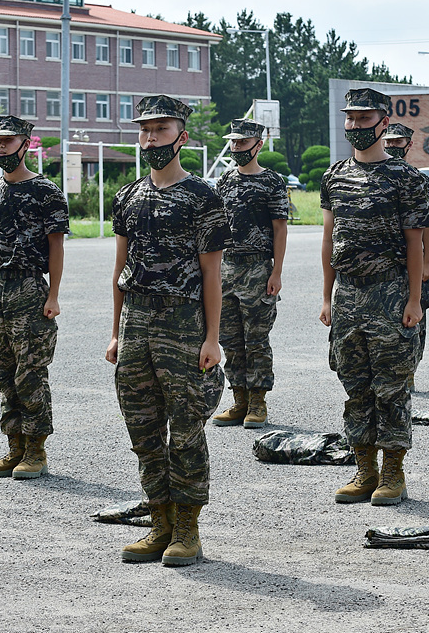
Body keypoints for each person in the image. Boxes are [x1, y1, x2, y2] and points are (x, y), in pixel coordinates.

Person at [106, 94, 231, 566]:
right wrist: (116, 332)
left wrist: (213, 338)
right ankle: (158, 522)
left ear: (182, 136)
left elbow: (212, 275)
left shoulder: (203, 198)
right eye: (144, 130)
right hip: (136, 320)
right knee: (142, 426)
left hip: (184, 323)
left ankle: (187, 528)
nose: (150, 138)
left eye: (160, 130)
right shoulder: (128, 196)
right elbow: (119, 268)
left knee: (186, 429)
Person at [319, 88, 429, 507]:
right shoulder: (334, 176)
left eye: (365, 119)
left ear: (384, 123)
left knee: (392, 386)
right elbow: (330, 240)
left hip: (390, 291)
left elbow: (415, 245)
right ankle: (364, 469)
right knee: (355, 385)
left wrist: (415, 300)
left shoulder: (407, 179)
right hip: (347, 294)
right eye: (350, 119)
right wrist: (327, 297)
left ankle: (393, 473)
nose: (355, 126)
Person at [0, 115, 68, 480]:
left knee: (30, 372)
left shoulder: (46, 191)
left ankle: (36, 450)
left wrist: (55, 295)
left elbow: (56, 246)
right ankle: (14, 446)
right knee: (1, 369)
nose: (0, 147)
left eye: (8, 140)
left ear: (26, 144)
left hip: (31, 287)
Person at [211, 119, 289, 429]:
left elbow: (280, 228)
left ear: (258, 145)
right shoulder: (225, 180)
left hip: (258, 268)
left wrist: (276, 272)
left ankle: (258, 402)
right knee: (230, 339)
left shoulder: (272, 181)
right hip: (227, 268)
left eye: (242, 143)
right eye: (233, 142)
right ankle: (239, 400)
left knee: (256, 338)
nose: (236, 148)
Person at [383, 122, 429, 387]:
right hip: (385, 263)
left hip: (411, 261)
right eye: (389, 142)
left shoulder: (419, 181)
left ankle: (410, 370)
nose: (392, 147)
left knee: (413, 318)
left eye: (397, 143)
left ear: (409, 145)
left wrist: (427, 262)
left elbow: (426, 226)